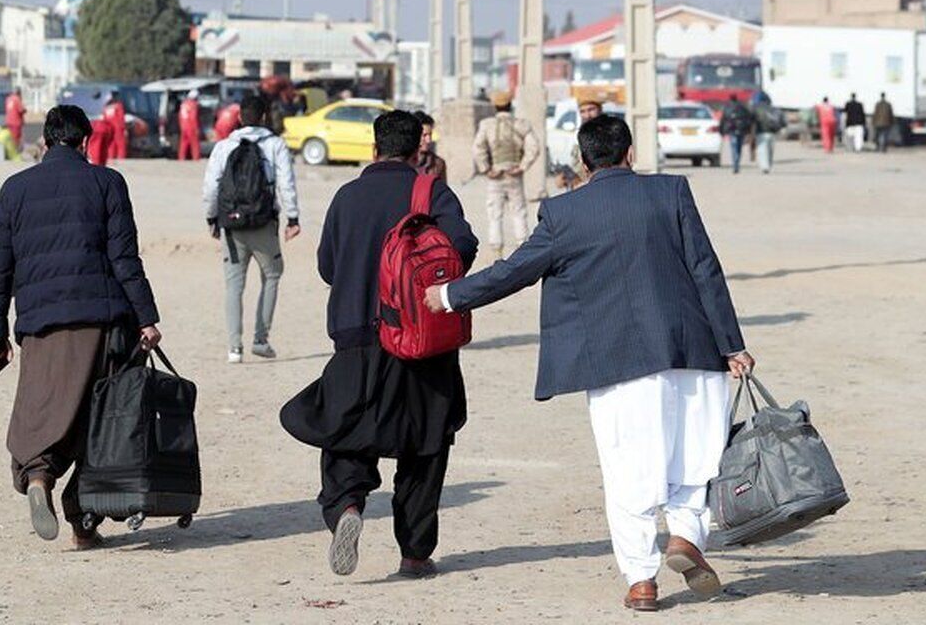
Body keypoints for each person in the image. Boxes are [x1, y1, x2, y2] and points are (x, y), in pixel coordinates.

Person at [424, 115, 756, 611]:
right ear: (630, 153)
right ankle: (687, 539)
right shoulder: (672, 192)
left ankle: (642, 581)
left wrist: (450, 295)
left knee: (628, 470)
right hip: (693, 350)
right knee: (692, 461)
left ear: (582, 161)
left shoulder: (563, 213)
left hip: (617, 362)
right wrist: (732, 344)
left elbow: (514, 271)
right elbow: (705, 268)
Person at [280, 110, 478, 580]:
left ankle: (347, 505)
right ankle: (414, 552)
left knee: (346, 433)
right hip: (420, 339)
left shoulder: (346, 196)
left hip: (355, 337)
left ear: (373, 149)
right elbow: (462, 246)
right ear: (417, 151)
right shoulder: (431, 192)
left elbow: (329, 266)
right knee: (425, 445)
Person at [0, 104, 161, 549]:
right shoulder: (107, 183)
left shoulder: (14, 189)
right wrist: (147, 318)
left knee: (44, 408)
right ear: (85, 142)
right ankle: (83, 523)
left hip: (40, 324)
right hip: (101, 322)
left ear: (44, 142)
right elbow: (124, 259)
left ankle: (39, 475)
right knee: (100, 422)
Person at [202, 95, 301, 363]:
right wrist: (293, 218)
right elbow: (286, 183)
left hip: (231, 226)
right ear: (265, 117)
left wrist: (212, 218)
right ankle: (260, 338)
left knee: (234, 284)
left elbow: (211, 186)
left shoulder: (224, 146)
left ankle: (234, 348)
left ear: (239, 118)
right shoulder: (275, 145)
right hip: (263, 222)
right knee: (272, 274)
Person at [472, 91, 540, 259]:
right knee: (519, 212)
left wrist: (486, 169)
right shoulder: (521, 124)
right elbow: (534, 147)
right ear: (510, 105)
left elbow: (477, 147)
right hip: (514, 174)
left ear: (495, 106)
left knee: (494, 214)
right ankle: (522, 251)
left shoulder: (487, 124)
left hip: (495, 175)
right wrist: (522, 166)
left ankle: (497, 253)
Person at [751, 96, 785, 174]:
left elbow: (751, 120)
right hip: (772, 133)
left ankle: (764, 166)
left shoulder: (756, 109)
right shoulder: (775, 109)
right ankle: (769, 165)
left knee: (762, 150)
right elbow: (782, 120)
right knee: (770, 151)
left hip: (761, 132)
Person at [719, 94, 753, 174]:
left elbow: (723, 120)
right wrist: (748, 130)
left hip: (732, 130)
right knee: (739, 148)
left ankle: (735, 165)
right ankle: (736, 164)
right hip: (741, 130)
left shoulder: (727, 108)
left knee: (734, 148)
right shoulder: (742, 107)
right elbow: (748, 118)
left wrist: (722, 131)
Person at [412, 110, 447, 182]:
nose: (429, 140)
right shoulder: (401, 163)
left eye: (430, 135)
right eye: (424, 135)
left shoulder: (438, 164)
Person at [178, 90, 202, 161]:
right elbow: (193, 117)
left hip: (184, 126)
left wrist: (181, 125)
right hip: (191, 126)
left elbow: (180, 116)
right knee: (195, 143)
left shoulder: (183, 104)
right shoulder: (193, 105)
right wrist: (196, 128)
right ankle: (196, 158)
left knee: (183, 143)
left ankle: (181, 158)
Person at [103, 92, 128, 161]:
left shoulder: (106, 107)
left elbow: (105, 118)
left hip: (109, 127)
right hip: (118, 127)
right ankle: (121, 157)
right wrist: (124, 128)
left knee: (111, 143)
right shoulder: (118, 105)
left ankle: (111, 157)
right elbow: (121, 117)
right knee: (121, 143)